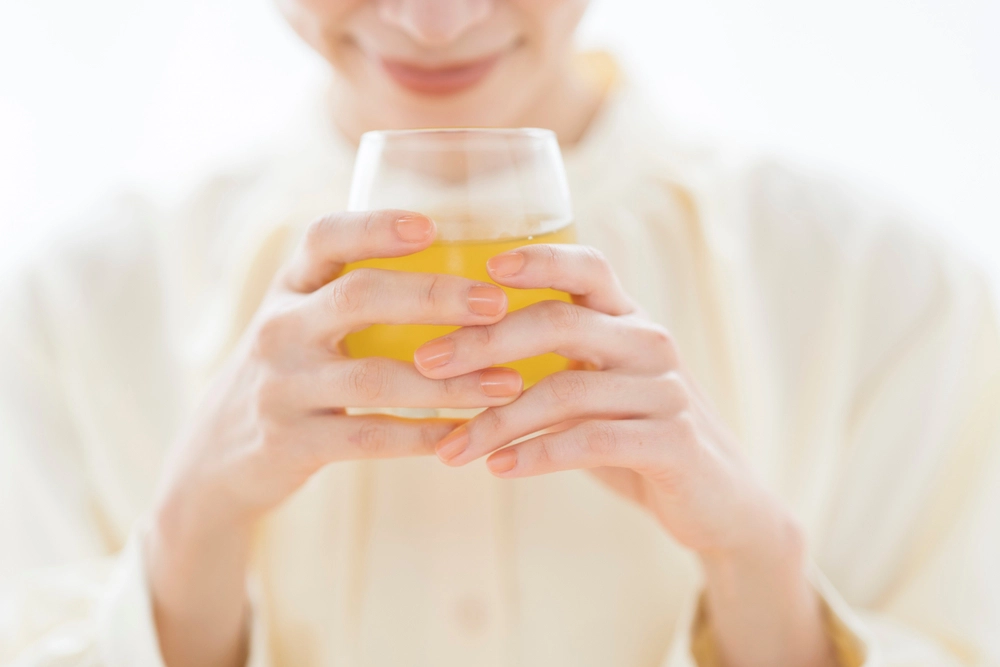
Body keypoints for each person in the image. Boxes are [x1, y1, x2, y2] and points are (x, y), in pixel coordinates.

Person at [1, 1, 998, 665]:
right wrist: (184, 556)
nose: (434, 21)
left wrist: (766, 581)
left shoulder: (897, 299)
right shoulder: (67, 314)